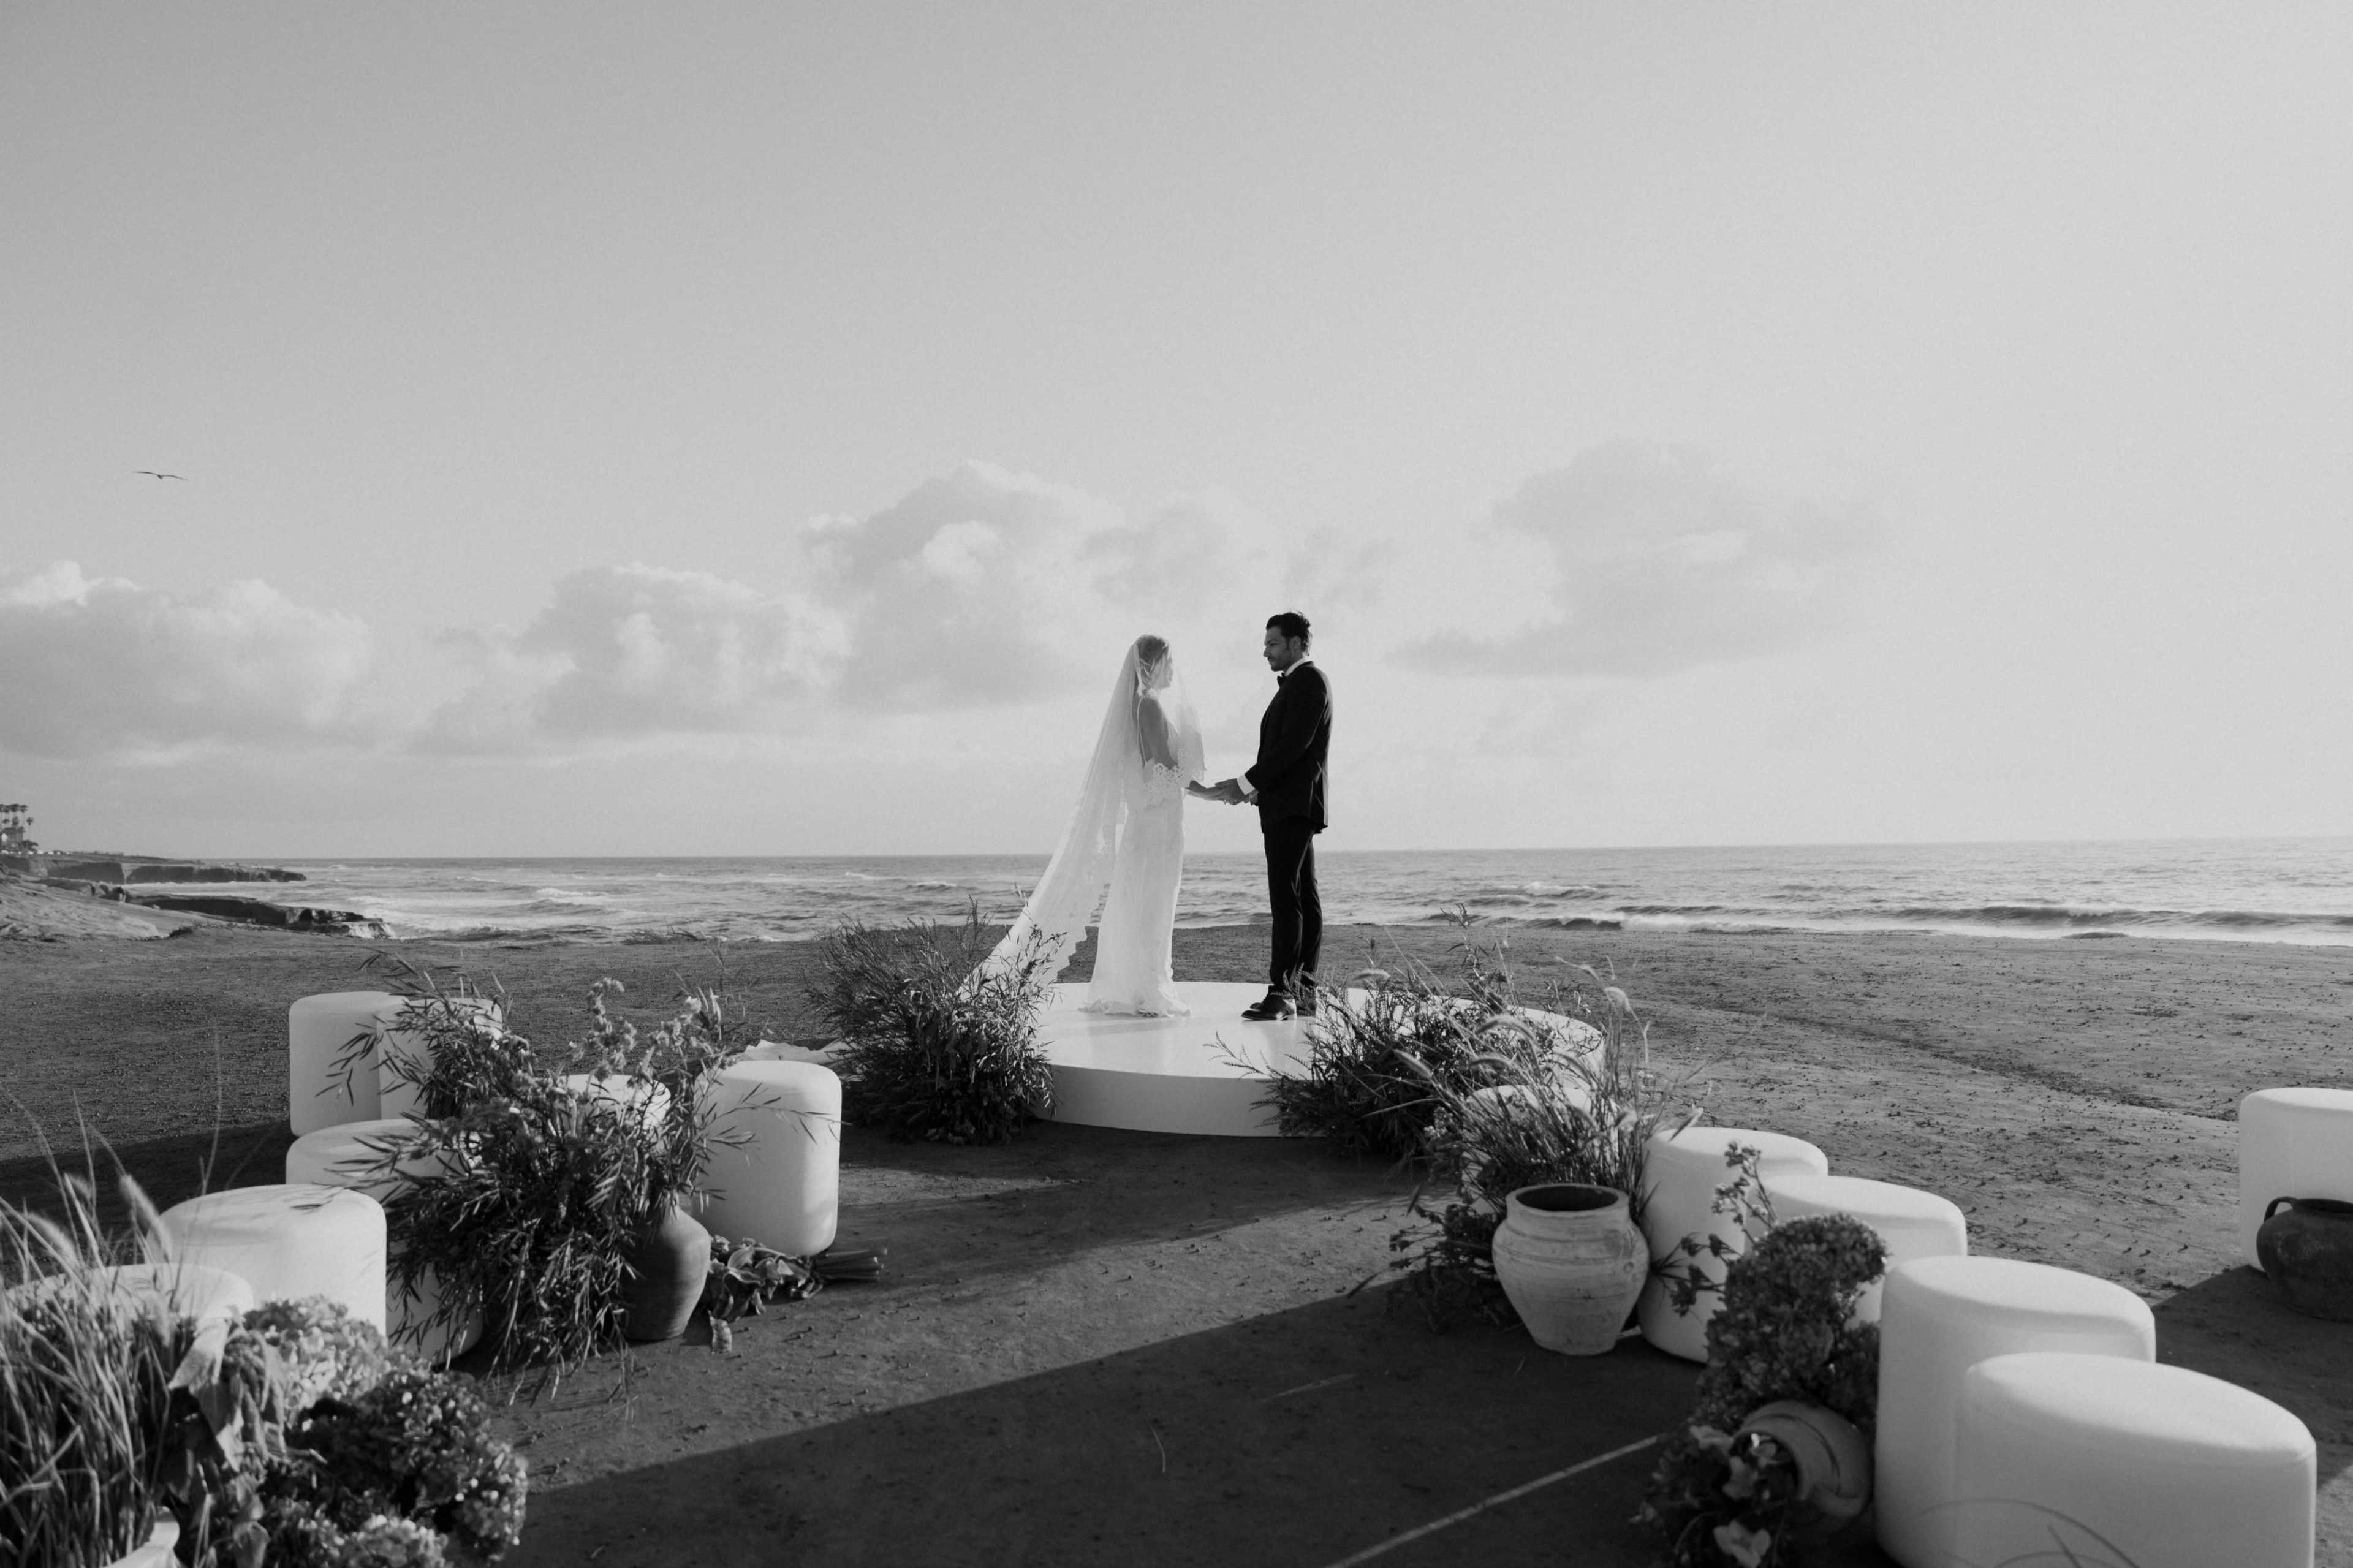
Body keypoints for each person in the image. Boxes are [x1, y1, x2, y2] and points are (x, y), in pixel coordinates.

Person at [984, 635, 1206, 1015]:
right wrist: (1211, 788)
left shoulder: (1141, 705)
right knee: (1153, 901)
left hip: (1154, 819)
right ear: (1151, 665)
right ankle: (1149, 990)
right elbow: (1165, 769)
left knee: (1141, 900)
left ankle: (1137, 986)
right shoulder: (1149, 706)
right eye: (1167, 663)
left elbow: (1159, 770)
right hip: (1158, 823)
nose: (1172, 670)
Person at [1200, 611, 1331, 1021]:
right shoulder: (1297, 684)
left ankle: (1283, 991)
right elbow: (1289, 753)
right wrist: (1256, 788)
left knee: (1286, 898)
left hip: (1293, 807)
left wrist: (1243, 783)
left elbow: (1293, 746)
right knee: (1303, 897)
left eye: (1273, 643)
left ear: (1296, 644)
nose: (1265, 651)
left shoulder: (1309, 681)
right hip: (1290, 802)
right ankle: (1305, 991)